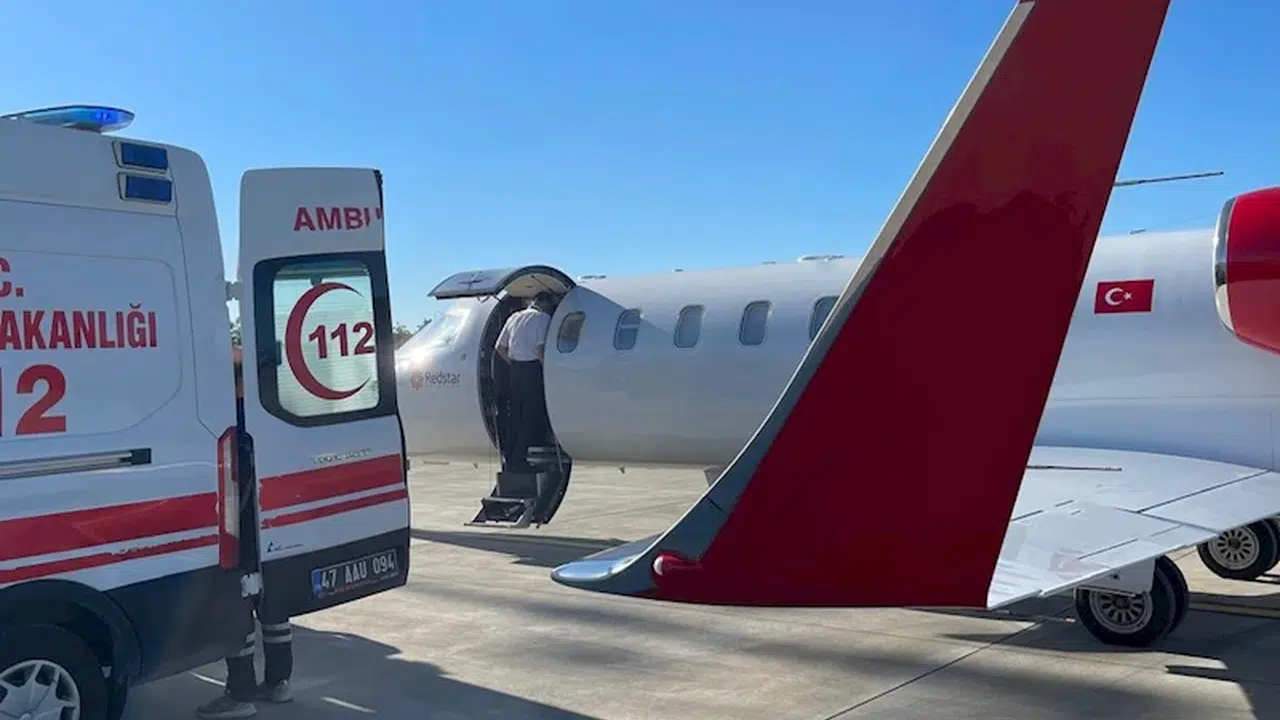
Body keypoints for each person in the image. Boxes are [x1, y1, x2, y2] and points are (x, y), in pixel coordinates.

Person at [197, 349, 294, 719]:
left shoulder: (229, 417)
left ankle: (240, 694)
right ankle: (279, 682)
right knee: (272, 604)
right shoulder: (272, 412)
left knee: (234, 606)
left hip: (238, 526)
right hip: (270, 523)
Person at [495, 292, 554, 473]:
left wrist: (514, 364)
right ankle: (520, 458)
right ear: (545, 304)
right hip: (532, 369)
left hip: (515, 370)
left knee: (516, 415)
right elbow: (540, 349)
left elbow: (500, 348)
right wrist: (547, 371)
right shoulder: (543, 318)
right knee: (529, 415)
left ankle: (510, 457)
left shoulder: (514, 317)